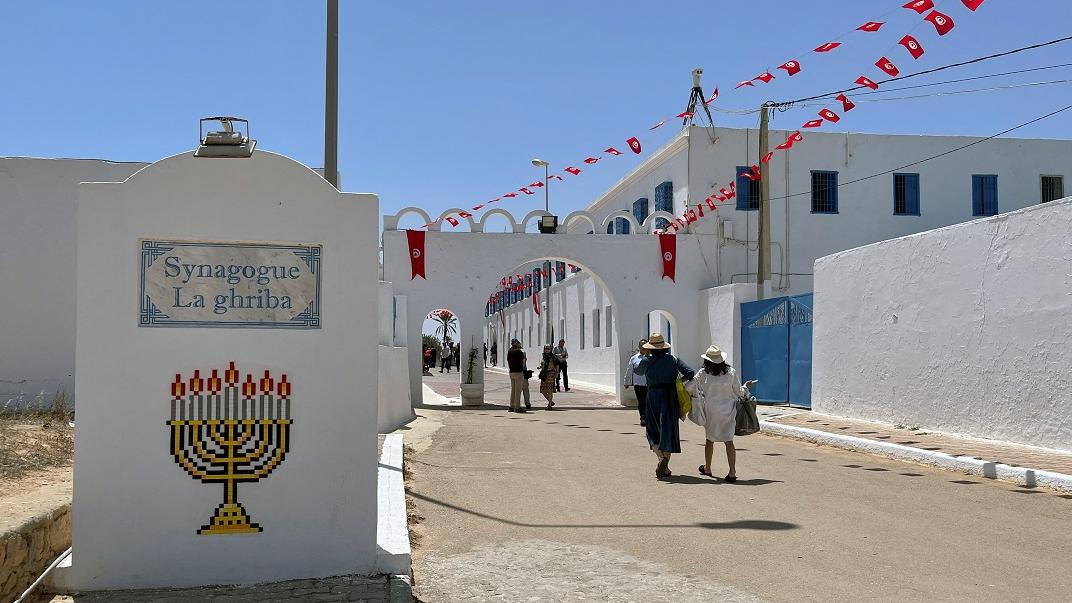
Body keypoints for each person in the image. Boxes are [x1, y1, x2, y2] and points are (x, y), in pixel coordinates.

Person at [686, 345, 757, 482]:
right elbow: (739, 393)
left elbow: (689, 388)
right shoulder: (731, 372)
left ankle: (707, 468)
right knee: (729, 441)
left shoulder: (702, 373)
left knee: (709, 440)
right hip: (728, 411)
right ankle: (732, 472)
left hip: (711, 412)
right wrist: (746, 387)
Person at [638, 333, 694, 479]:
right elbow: (690, 373)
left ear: (651, 348)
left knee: (652, 430)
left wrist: (644, 355)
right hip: (669, 395)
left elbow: (637, 370)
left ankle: (662, 460)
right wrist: (678, 381)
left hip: (652, 396)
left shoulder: (646, 360)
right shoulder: (673, 359)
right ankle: (666, 464)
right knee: (668, 429)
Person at [623, 339, 649, 426]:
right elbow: (629, 370)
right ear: (639, 347)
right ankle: (643, 418)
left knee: (648, 401)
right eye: (642, 345)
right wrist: (626, 382)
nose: (643, 347)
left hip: (649, 384)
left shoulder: (651, 357)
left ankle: (649, 417)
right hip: (638, 384)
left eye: (645, 345)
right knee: (641, 402)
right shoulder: (634, 358)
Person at [506, 339, 529, 413]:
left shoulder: (509, 351)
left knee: (513, 390)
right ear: (516, 344)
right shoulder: (519, 352)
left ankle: (511, 406)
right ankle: (517, 407)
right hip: (518, 372)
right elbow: (523, 361)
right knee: (518, 391)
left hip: (511, 372)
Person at [538, 344, 559, 409]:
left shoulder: (553, 357)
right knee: (543, 390)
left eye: (548, 349)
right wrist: (540, 367)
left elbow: (557, 365)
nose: (546, 350)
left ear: (550, 349)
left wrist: (557, 373)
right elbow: (543, 365)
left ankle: (549, 405)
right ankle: (551, 401)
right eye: (545, 348)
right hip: (544, 375)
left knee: (549, 390)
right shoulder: (543, 356)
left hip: (550, 374)